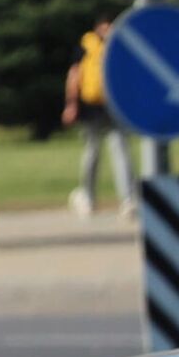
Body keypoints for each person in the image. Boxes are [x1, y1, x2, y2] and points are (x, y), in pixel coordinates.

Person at [62, 16, 136, 220]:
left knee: (120, 150)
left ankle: (127, 198)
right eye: (105, 25)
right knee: (92, 152)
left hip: (114, 106)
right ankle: (87, 196)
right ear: (98, 27)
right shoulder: (86, 46)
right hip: (91, 106)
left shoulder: (118, 46)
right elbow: (75, 74)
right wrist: (71, 104)